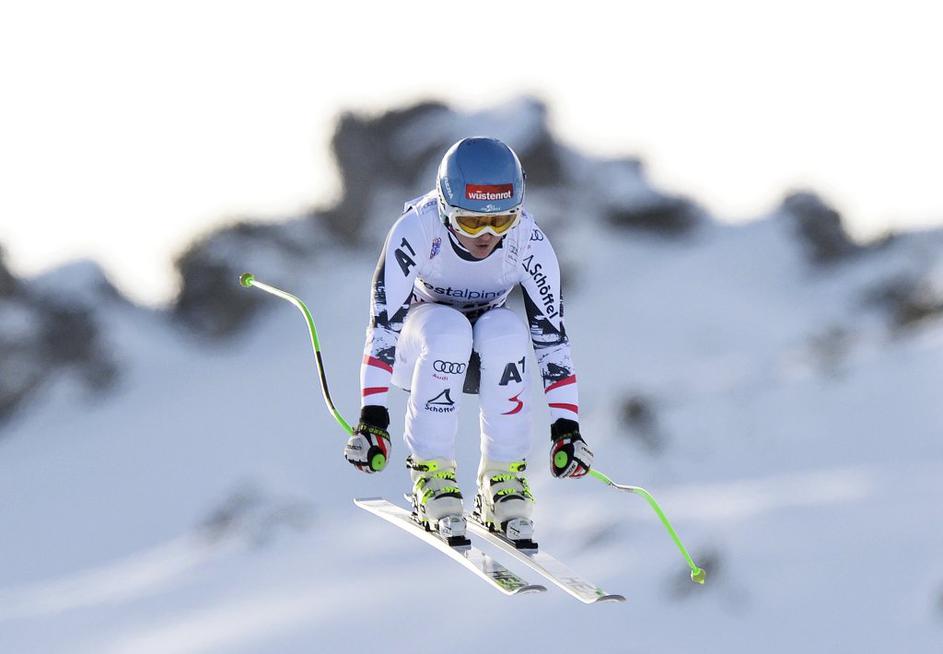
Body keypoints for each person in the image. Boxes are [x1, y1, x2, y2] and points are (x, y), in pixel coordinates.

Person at [343, 136, 593, 543]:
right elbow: (384, 328)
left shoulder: (528, 241)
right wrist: (373, 418)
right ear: (445, 209)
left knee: (507, 330)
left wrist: (567, 428)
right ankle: (431, 474)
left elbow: (552, 343)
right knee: (448, 328)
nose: (488, 235)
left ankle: (503, 480)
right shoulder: (416, 229)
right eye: (472, 222)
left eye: (503, 221)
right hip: (417, 348)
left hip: (482, 354)